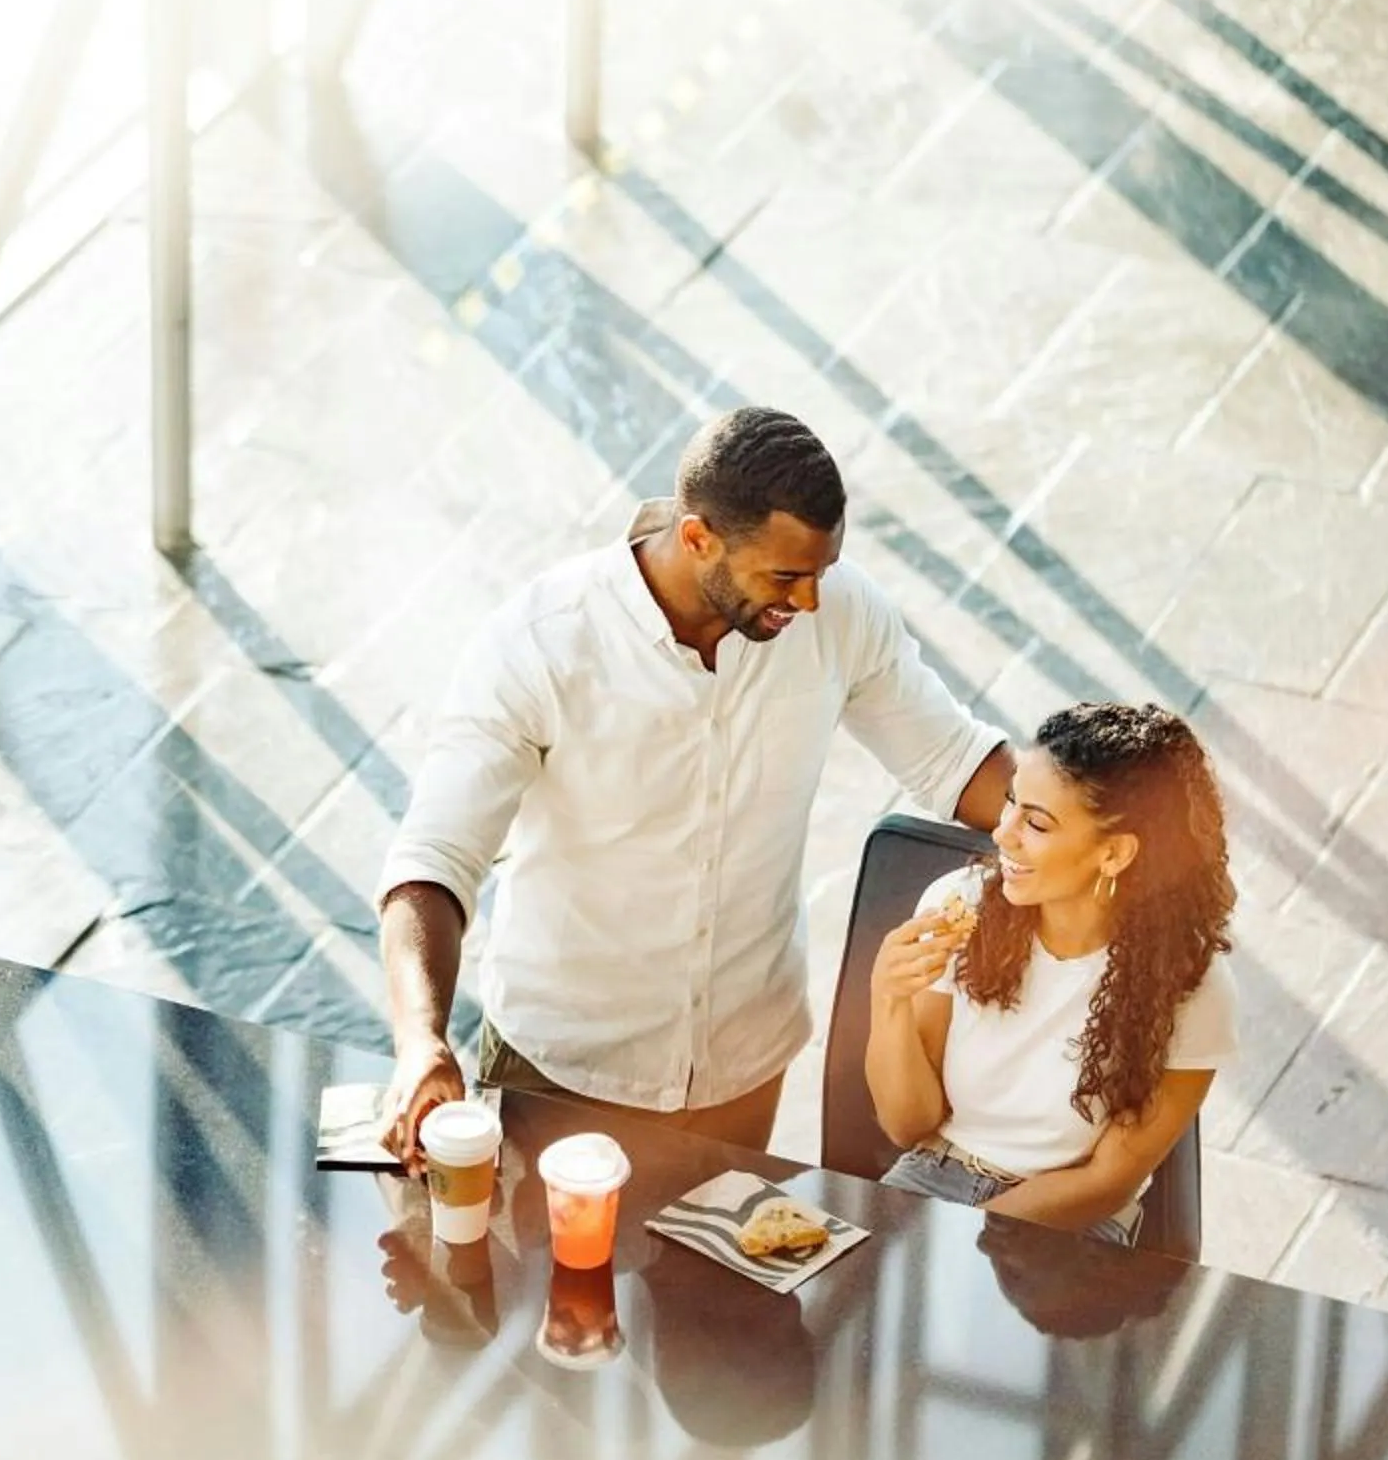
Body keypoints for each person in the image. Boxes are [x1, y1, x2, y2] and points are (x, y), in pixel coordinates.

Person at [376, 407, 1014, 1163]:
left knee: (715, 1282)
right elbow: (436, 858)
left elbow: (954, 762)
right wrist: (421, 1038)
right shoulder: (543, 642)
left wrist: (1094, 831)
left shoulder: (836, 614)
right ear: (697, 539)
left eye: (822, 571)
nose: (808, 600)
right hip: (565, 1071)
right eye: (784, 576)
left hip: (744, 1066)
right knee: (554, 1281)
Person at [864, 702, 1239, 1247]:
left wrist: (970, 1240)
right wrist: (889, 1000)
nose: (1002, 833)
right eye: (1012, 801)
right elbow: (908, 1125)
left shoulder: (1191, 983)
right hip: (934, 1173)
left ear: (1113, 854)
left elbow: (1108, 1181)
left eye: (1037, 823)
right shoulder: (956, 905)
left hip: (1072, 1218)